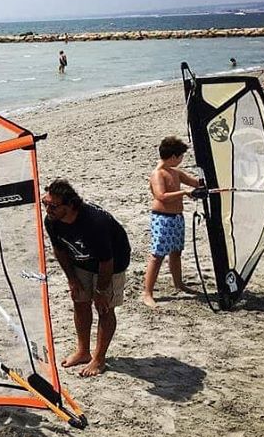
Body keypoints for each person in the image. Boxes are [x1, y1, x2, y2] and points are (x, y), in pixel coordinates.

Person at [43, 179, 130, 377]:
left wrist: (100, 291)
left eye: (53, 205)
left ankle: (99, 359)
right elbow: (60, 251)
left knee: (104, 308)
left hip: (112, 263)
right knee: (80, 301)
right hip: (81, 261)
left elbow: (106, 262)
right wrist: (72, 279)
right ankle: (83, 351)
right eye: (45, 203)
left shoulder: (94, 223)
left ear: (70, 205)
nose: (48, 209)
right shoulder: (52, 221)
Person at [142, 137, 202, 308]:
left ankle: (179, 283)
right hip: (163, 219)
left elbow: (194, 182)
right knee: (157, 256)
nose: (182, 159)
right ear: (173, 156)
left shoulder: (175, 172)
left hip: (177, 218)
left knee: (176, 252)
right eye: (181, 156)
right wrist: (183, 193)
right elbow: (161, 196)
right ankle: (147, 293)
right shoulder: (158, 173)